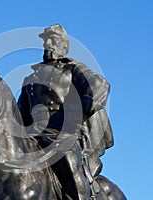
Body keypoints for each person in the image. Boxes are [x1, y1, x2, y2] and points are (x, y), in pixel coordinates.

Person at [17, 24, 117, 199]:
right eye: (46, 40)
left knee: (69, 166)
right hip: (34, 137)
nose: (48, 43)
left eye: (52, 39)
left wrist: (79, 114)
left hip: (62, 135)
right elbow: (19, 115)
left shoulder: (72, 69)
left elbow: (99, 86)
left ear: (64, 46)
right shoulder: (31, 79)